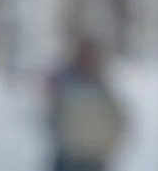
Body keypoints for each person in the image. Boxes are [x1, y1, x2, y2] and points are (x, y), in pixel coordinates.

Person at [44, 35, 126, 171]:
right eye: (85, 54)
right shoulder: (65, 81)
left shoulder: (102, 89)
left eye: (92, 54)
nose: (89, 59)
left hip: (94, 158)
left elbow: (118, 120)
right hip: (69, 157)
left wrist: (110, 143)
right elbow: (52, 114)